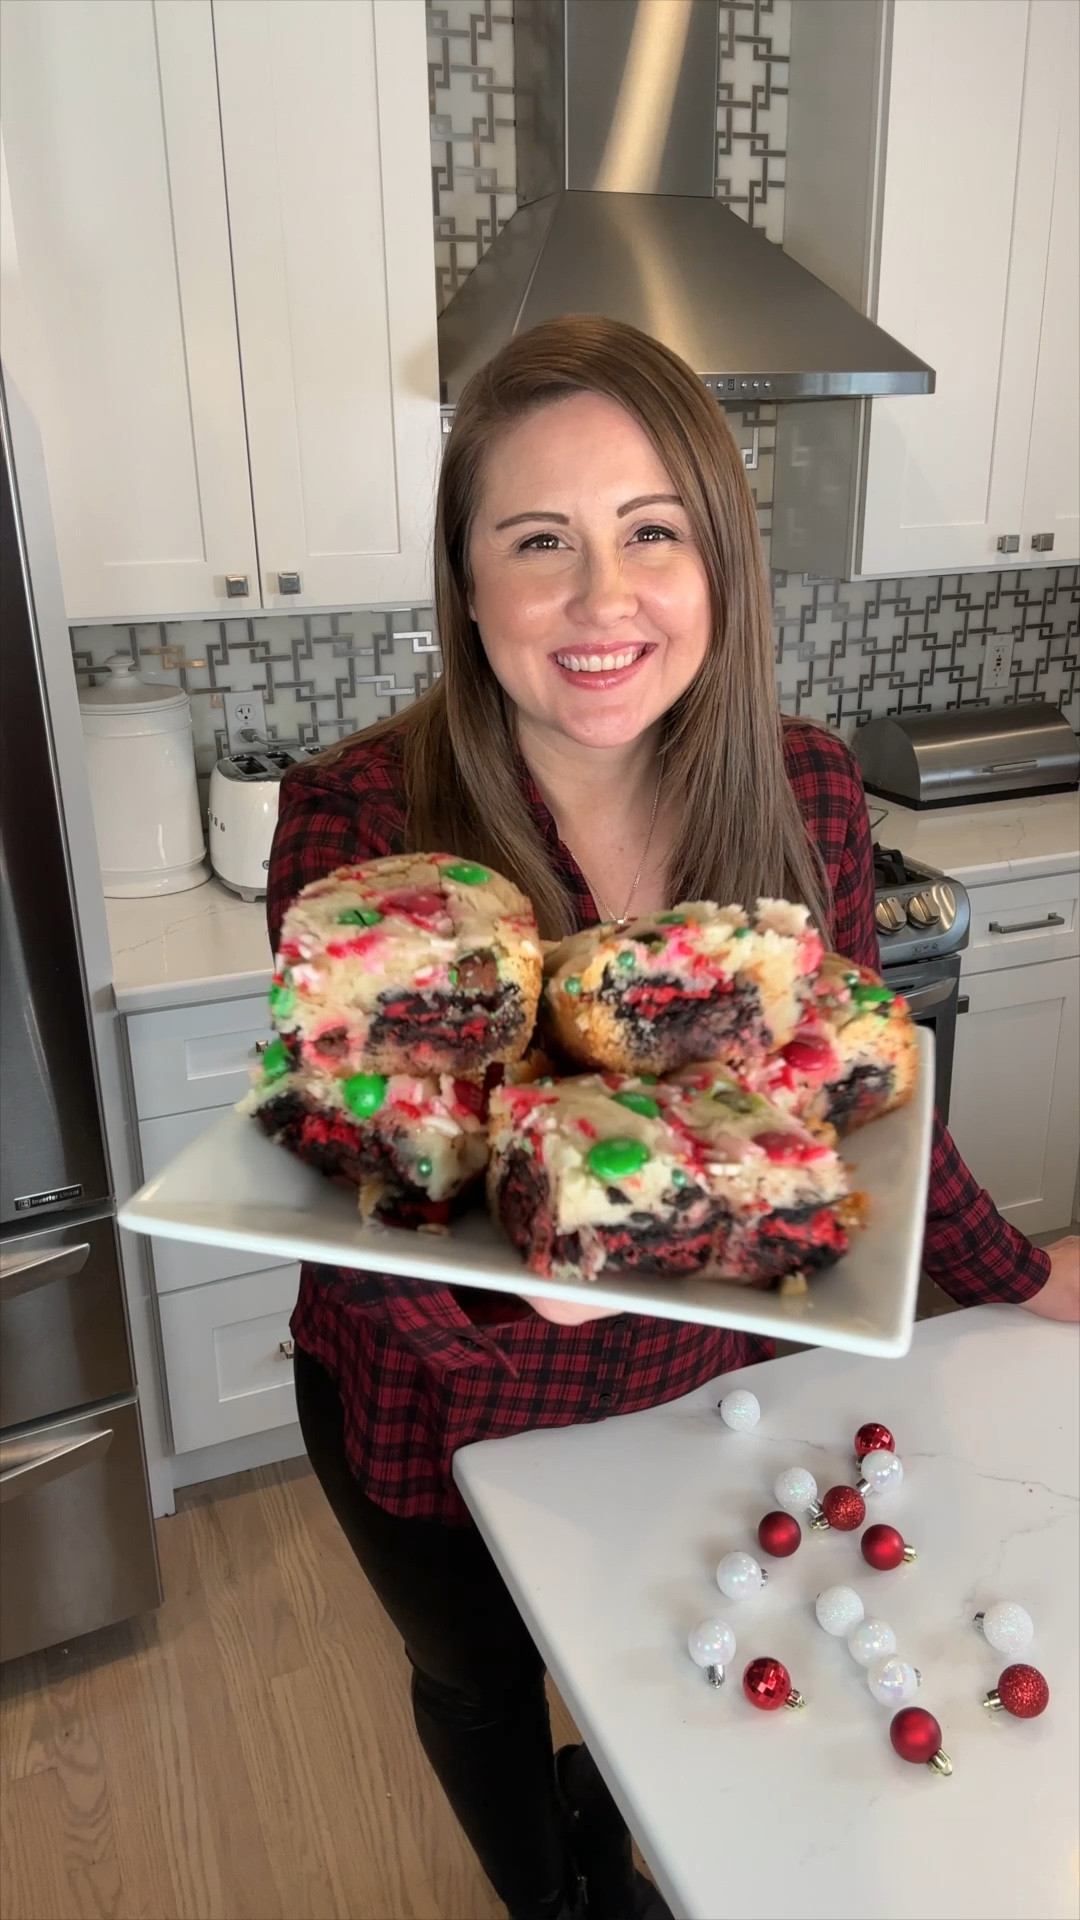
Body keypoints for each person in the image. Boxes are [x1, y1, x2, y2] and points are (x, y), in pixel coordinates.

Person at [266, 315, 1079, 1920]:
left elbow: (855, 1114)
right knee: (487, 1693)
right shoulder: (364, 818)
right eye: (538, 543)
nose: (602, 601)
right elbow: (358, 1167)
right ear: (469, 583)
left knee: (696, 1689)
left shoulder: (810, 792)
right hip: (444, 1406)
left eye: (653, 533)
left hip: (705, 1377)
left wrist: (1031, 1278)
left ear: (718, 563)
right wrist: (505, 1275)